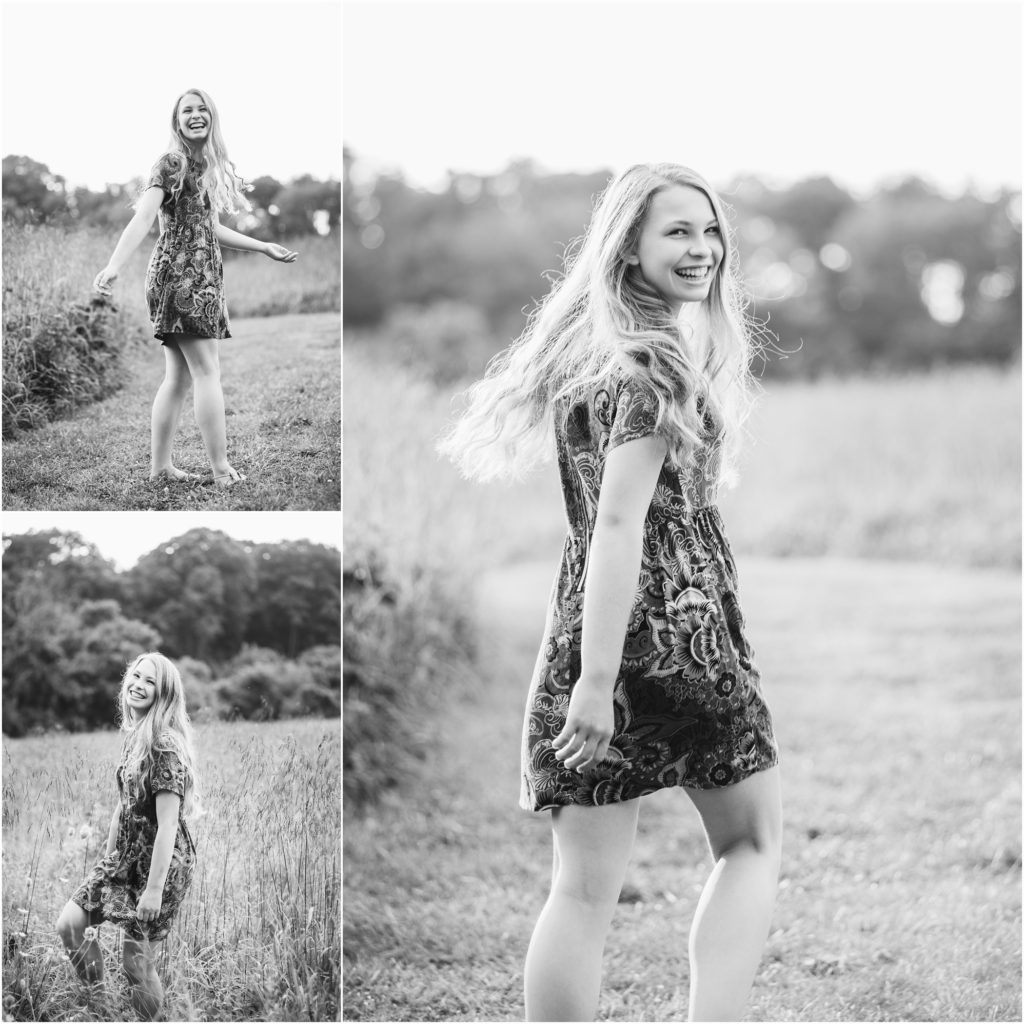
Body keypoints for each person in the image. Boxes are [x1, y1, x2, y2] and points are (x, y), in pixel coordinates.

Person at [440, 163, 782, 1022]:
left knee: (583, 892)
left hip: (588, 620)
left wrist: (588, 672)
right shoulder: (655, 364)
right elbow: (620, 526)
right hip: (678, 631)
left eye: (709, 231)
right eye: (677, 231)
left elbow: (599, 531)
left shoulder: (596, 359)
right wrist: (596, 684)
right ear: (628, 246)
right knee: (749, 844)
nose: (702, 248)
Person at [93, 87, 299, 489]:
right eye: (187, 110)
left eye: (202, 109)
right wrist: (114, 265)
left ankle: (160, 468)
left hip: (197, 277)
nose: (195, 115)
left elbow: (210, 228)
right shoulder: (171, 163)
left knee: (180, 378)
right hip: (180, 277)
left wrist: (263, 247)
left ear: (212, 117)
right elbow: (143, 217)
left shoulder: (202, 167)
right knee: (207, 372)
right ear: (177, 121)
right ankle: (221, 470)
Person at [56, 652, 201, 1021]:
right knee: (71, 925)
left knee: (135, 964)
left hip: (160, 864)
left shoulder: (164, 745)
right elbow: (124, 804)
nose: (139, 685)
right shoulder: (135, 735)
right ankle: (101, 1005)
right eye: (136, 677)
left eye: (150, 681)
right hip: (125, 855)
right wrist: (107, 863)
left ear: (164, 694)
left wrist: (153, 890)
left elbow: (169, 824)